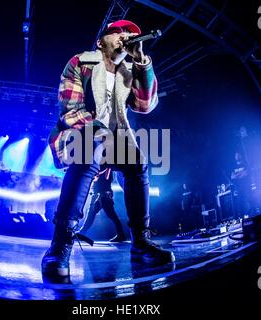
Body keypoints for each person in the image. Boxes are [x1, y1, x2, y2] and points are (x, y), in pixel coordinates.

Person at [42, 20, 174, 281]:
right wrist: (101, 144)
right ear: (101, 41)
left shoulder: (129, 70)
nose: (127, 36)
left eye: (132, 34)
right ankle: (60, 245)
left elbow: (145, 105)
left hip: (113, 139)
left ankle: (140, 243)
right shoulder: (81, 62)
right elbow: (71, 111)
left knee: (137, 162)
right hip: (79, 133)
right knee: (88, 150)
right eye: (120, 32)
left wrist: (142, 63)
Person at [81, 169, 126, 242]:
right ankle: (121, 234)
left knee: (93, 214)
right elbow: (95, 179)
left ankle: (82, 232)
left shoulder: (107, 168)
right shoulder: (100, 167)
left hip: (103, 195)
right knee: (92, 215)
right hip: (100, 194)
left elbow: (106, 177)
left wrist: (98, 173)